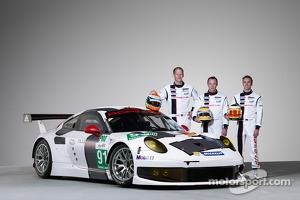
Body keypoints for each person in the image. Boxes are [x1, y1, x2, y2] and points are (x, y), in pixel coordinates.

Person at [231, 75, 263, 178]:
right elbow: (231, 110)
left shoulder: (257, 97)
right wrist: (229, 116)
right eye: (244, 82)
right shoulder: (236, 96)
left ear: (251, 83)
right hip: (240, 124)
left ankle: (255, 169)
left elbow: (260, 113)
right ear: (242, 83)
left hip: (251, 124)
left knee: (253, 148)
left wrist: (257, 127)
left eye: (248, 82)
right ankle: (240, 169)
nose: (246, 84)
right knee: (240, 148)